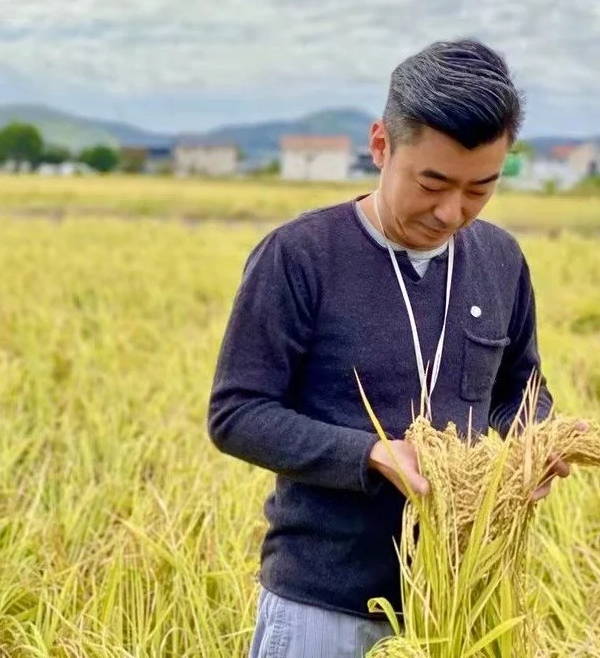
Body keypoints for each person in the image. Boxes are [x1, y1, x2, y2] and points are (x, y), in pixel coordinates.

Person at [207, 38, 579, 658]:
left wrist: (534, 444)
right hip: (325, 604)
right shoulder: (301, 256)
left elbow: (522, 389)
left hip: (462, 598)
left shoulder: (500, 259)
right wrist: (374, 453)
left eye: (479, 188)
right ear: (381, 145)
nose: (451, 211)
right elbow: (237, 413)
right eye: (431, 183)